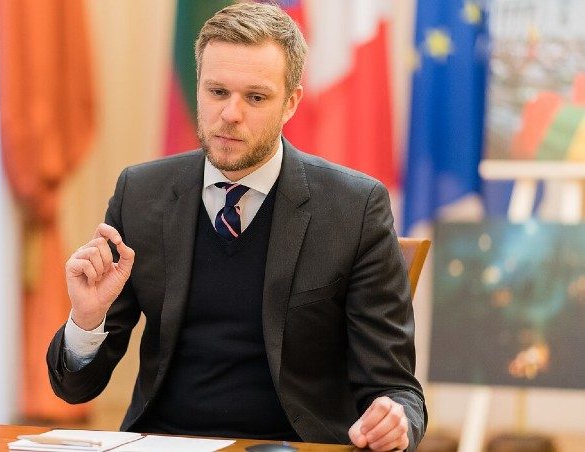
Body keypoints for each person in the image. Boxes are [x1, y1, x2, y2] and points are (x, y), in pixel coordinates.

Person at [47, 3, 426, 451]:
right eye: (218, 91)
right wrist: (86, 321)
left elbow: (396, 389)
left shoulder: (354, 208)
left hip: (291, 446)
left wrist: (394, 422)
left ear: (291, 103)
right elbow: (76, 389)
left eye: (256, 97)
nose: (230, 113)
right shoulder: (141, 193)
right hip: (162, 441)